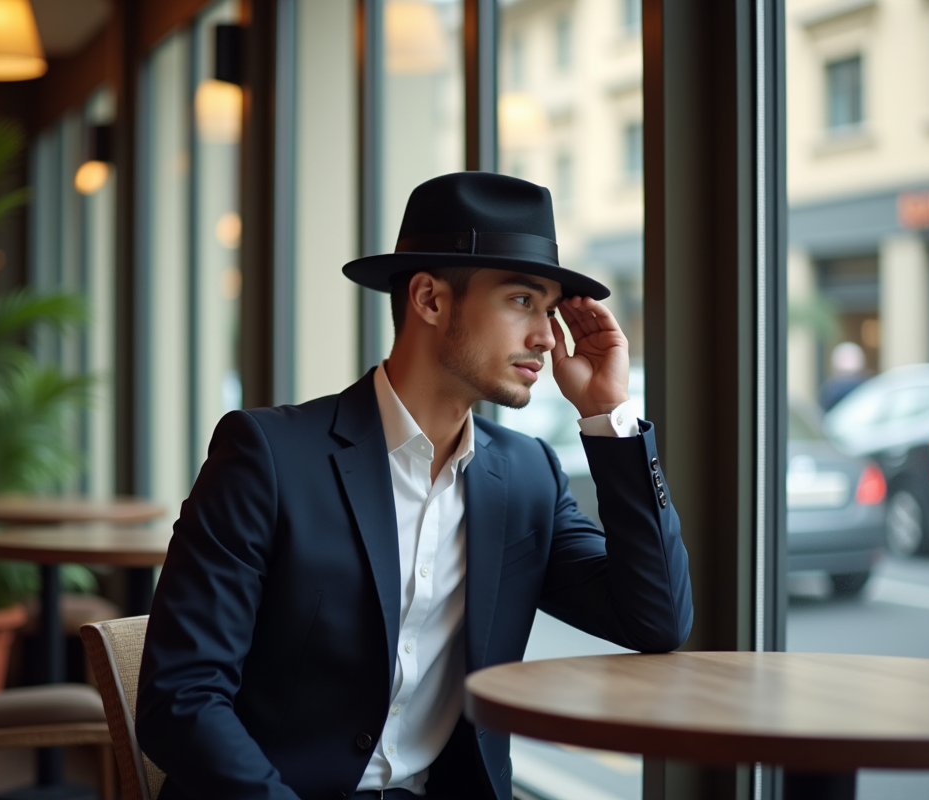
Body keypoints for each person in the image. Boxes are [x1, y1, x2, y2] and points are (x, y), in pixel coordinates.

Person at [136, 171, 693, 800]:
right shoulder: (266, 456)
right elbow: (180, 698)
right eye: (521, 301)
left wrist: (609, 415)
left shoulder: (528, 475)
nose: (546, 336)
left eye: (550, 308)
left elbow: (656, 620)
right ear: (429, 299)